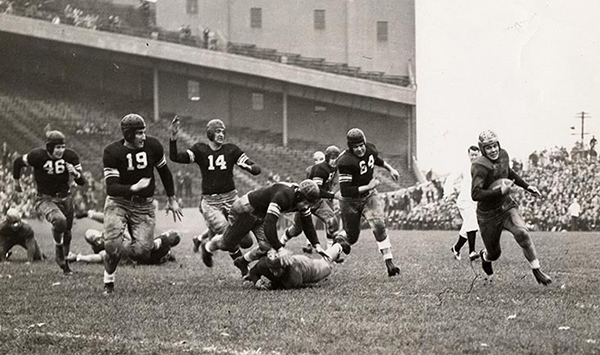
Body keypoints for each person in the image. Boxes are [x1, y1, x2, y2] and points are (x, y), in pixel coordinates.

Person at [102, 113, 183, 294]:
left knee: (142, 252)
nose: (143, 136)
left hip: (144, 206)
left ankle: (114, 240)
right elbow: (112, 188)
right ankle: (109, 281)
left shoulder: (153, 145)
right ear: (128, 134)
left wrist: (172, 199)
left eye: (144, 132)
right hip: (119, 202)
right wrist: (133, 187)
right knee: (112, 247)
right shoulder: (112, 151)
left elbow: (164, 171)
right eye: (138, 133)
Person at [169, 117, 261, 259]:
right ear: (210, 133)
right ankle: (242, 267)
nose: (221, 135)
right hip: (211, 203)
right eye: (217, 131)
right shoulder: (200, 149)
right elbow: (175, 157)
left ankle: (206, 243)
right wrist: (173, 137)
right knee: (230, 237)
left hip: (231, 199)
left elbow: (251, 165)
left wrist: (251, 167)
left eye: (223, 132)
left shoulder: (231, 149)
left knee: (247, 242)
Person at [471, 129, 552, 285]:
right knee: (495, 254)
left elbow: (508, 173)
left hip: (506, 205)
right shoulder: (479, 166)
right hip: (487, 214)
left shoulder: (503, 155)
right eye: (488, 147)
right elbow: (475, 194)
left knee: (522, 233)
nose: (493, 150)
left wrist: (527, 186)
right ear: (482, 149)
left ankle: (536, 269)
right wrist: (497, 191)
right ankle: (485, 256)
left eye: (495, 145)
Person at [201, 180, 328, 277]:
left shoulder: (302, 199)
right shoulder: (284, 196)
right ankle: (208, 247)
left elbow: (307, 223)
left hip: (261, 214)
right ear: (299, 196)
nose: (306, 206)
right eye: (306, 203)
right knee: (236, 243)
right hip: (246, 210)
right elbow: (269, 224)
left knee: (268, 248)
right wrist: (280, 247)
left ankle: (243, 262)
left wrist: (316, 245)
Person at [12, 130, 86, 274]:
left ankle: (64, 264)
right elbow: (18, 162)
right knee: (60, 221)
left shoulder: (70, 156)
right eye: (57, 147)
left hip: (66, 197)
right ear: (49, 147)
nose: (60, 151)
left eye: (62, 147)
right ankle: (58, 248)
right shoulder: (37, 156)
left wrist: (75, 174)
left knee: (68, 232)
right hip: (45, 198)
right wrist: (16, 182)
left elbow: (82, 181)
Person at [335, 128, 401, 277]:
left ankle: (389, 262)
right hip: (350, 201)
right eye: (355, 147)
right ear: (350, 147)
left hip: (369, 196)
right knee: (351, 237)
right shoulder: (345, 161)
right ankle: (330, 256)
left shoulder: (370, 148)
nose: (359, 149)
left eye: (361, 145)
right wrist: (369, 186)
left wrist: (390, 169)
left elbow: (375, 159)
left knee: (378, 224)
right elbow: (345, 191)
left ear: (364, 142)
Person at [281, 146, 343, 255]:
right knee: (296, 229)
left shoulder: (334, 168)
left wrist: (332, 195)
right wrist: (332, 195)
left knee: (332, 221)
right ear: (327, 157)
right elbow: (317, 190)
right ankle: (282, 242)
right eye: (332, 158)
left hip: (319, 201)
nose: (334, 160)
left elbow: (336, 182)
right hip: (306, 202)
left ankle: (329, 253)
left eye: (336, 158)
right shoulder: (319, 169)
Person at [74, 210, 181, 265]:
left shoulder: (164, 241)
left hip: (134, 252)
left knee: (117, 222)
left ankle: (90, 214)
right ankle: (90, 214)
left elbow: (150, 246)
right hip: (134, 257)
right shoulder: (167, 252)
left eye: (170, 232)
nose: (167, 231)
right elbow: (169, 254)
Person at [244, 242, 349, 290]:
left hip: (308, 268)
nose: (274, 273)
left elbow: (287, 286)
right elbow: (253, 272)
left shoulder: (293, 273)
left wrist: (270, 285)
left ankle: (338, 246)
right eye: (271, 269)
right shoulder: (264, 264)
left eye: (277, 270)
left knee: (326, 265)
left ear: (284, 266)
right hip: (296, 260)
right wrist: (256, 281)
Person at [444, 145, 481, 261]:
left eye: (476, 155)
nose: (474, 157)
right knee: (472, 224)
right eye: (472, 155)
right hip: (464, 201)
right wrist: (447, 192)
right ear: (468, 155)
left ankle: (456, 248)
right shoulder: (464, 167)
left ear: (479, 154)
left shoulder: (481, 168)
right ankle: (472, 252)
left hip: (475, 202)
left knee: (468, 227)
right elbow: (451, 179)